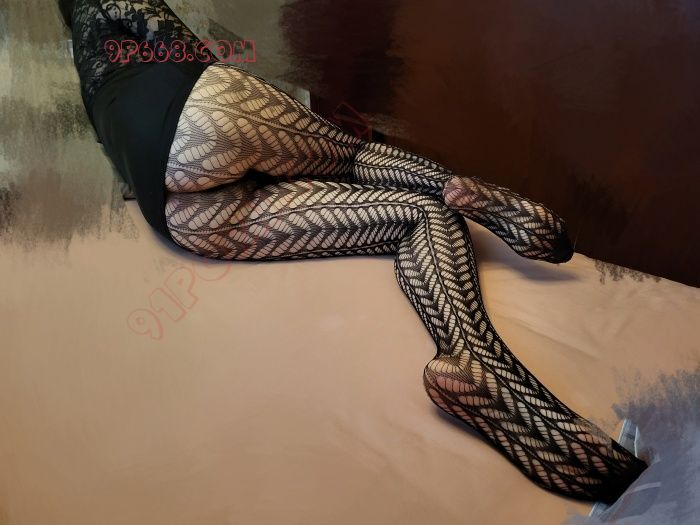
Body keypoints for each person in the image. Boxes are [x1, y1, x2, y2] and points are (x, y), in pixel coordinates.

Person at [59, 0, 647, 503]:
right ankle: (460, 193)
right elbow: (175, 45)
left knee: (408, 219)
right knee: (354, 157)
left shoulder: (82, 61)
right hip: (203, 119)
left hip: (177, 212)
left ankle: (473, 362)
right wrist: (228, 84)